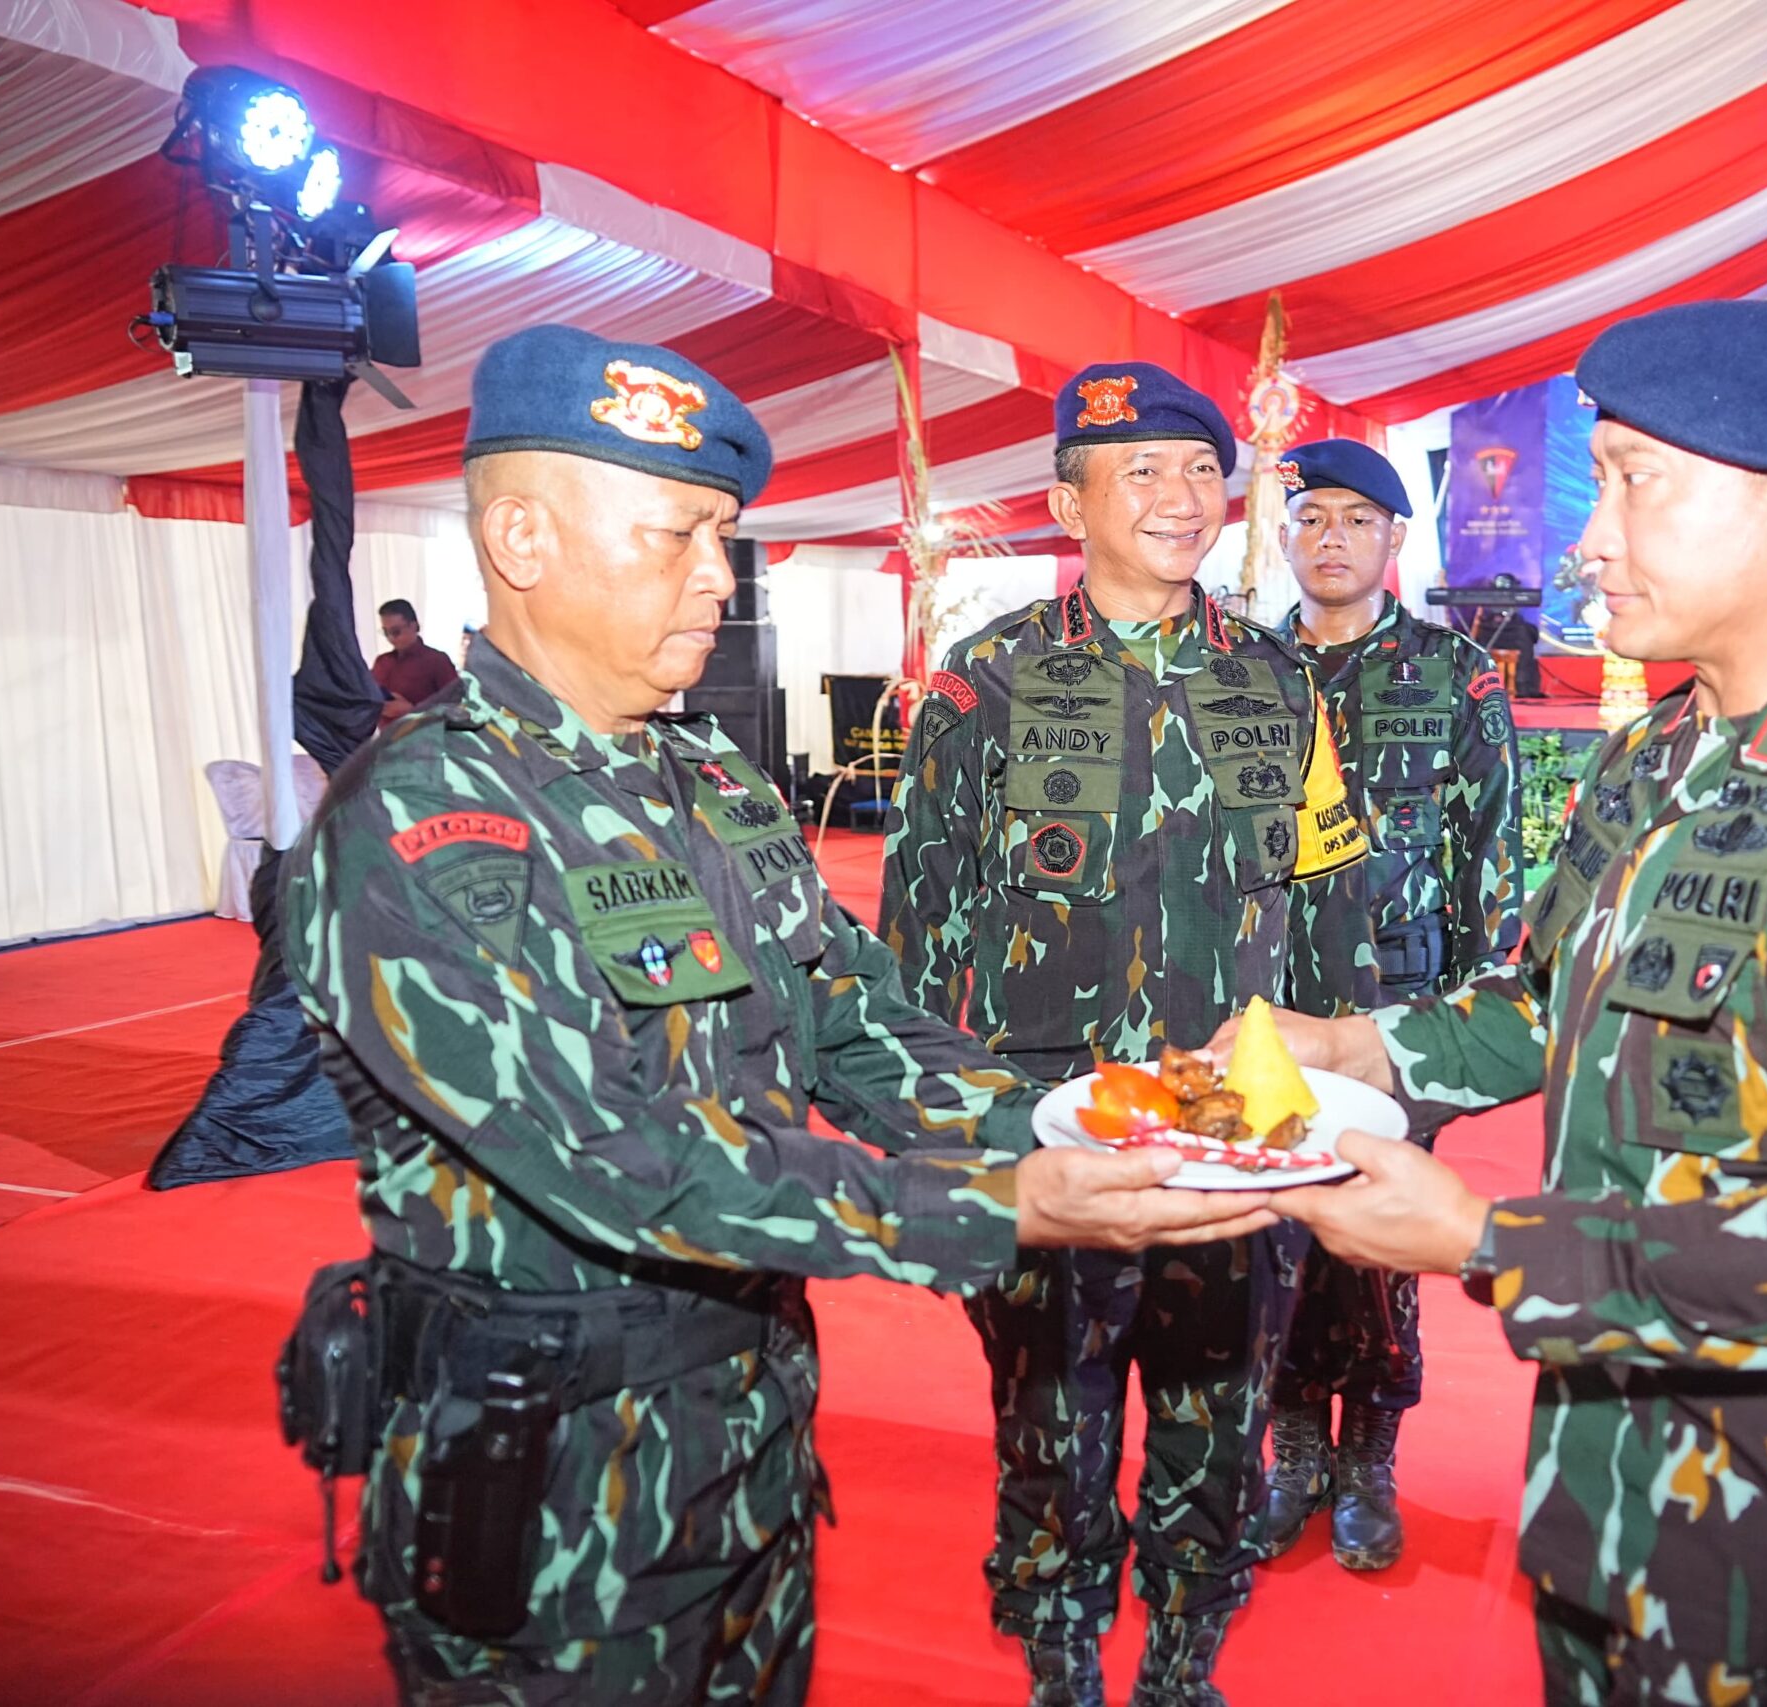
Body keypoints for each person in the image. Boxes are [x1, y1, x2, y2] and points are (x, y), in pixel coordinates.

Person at [279, 325, 1276, 1707]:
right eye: (677, 533)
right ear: (520, 536)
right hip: (552, 1489)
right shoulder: (424, 819)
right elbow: (629, 1159)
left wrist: (1086, 1120)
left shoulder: (717, 788)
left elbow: (858, 1022)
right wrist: (1013, 1202)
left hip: (748, 1453)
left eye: (725, 536)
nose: (717, 578)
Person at [1217, 301, 1767, 1705]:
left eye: (1634, 480)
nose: (1590, 534)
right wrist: (1353, 1040)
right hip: (1602, 1486)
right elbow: (1544, 997)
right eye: (1597, 479)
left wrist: (1487, 1232)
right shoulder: (1658, 753)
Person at [881, 362, 1378, 1707]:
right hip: (1056, 1124)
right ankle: (1059, 1656)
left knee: (1217, 1422)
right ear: (1068, 499)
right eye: (1141, 471)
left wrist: (1344, 1105)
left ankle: (1178, 1661)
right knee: (1052, 1412)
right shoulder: (987, 681)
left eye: (1200, 470)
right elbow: (918, 932)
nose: (1179, 497)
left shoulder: (1279, 677)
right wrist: (946, 1151)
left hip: (1234, 1125)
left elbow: (1329, 902)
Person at [1258, 437, 1520, 1573]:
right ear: (1285, 534)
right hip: (1260, 1008)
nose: (1331, 539)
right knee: (1268, 1232)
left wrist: (1463, 1021)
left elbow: (1489, 856)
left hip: (1397, 1007)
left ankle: (1367, 1459)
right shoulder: (1236, 675)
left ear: (1394, 541)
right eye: (1312, 517)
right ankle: (1292, 1456)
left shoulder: (1454, 676)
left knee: (1374, 1243)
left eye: (1357, 521)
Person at [371, 597, 459, 718]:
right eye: (386, 633)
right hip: (385, 735)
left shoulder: (437, 661)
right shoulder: (382, 662)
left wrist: (413, 711)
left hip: (424, 734)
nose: (391, 638)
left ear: (414, 626)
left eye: (396, 631)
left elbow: (455, 708)